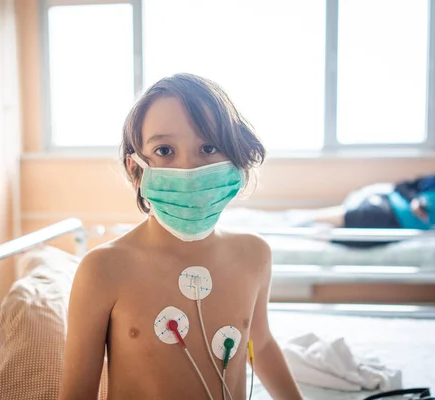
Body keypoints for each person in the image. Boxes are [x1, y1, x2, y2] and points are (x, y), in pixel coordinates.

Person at [59, 73, 303, 400]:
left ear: (234, 158)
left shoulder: (254, 255)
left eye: (208, 147)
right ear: (136, 169)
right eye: (164, 150)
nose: (188, 168)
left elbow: (261, 342)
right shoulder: (104, 269)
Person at [306, 164, 435, 232]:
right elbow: (404, 186)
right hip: (390, 202)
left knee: (356, 230)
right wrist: (415, 201)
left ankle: (308, 223)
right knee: (363, 214)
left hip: (399, 223)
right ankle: (305, 218)